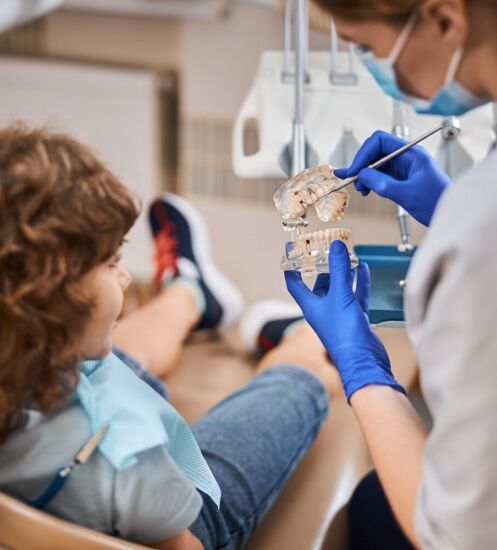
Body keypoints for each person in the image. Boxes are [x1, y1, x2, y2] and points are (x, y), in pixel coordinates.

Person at [0, 122, 340, 550]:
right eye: (110, 262)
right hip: (172, 527)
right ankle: (307, 339)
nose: (125, 275)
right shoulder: (128, 463)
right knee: (290, 387)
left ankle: (192, 293)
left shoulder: (22, 341)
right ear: (54, 300)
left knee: (107, 356)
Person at [286, 1, 497, 548]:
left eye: (364, 47)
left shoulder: (480, 229)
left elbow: (456, 536)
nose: (374, 67)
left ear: (445, 20)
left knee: (376, 509)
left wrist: (362, 369)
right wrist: (451, 208)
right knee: (376, 502)